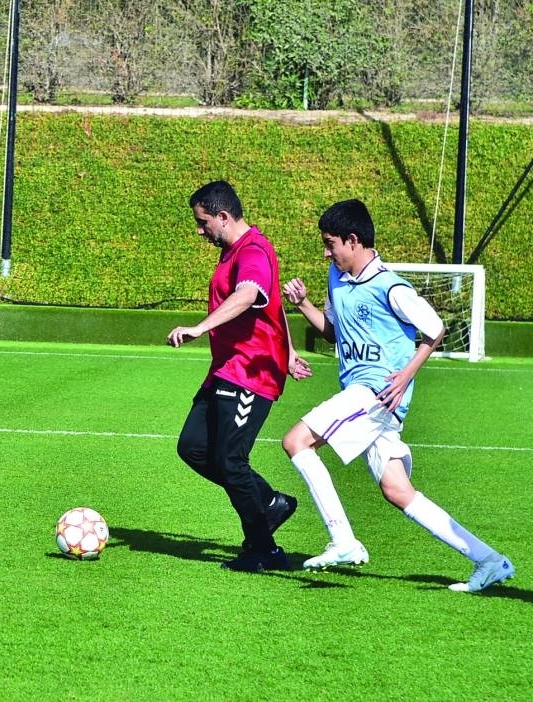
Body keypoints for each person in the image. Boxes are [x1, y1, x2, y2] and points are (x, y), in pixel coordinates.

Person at [281, 198, 514, 593]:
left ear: (353, 241)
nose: (326, 251)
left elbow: (435, 329)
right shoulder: (337, 278)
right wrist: (303, 304)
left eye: (330, 242)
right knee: (397, 490)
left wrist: (405, 376)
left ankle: (343, 540)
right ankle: (490, 561)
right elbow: (336, 334)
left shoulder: (390, 285)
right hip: (365, 395)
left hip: (375, 392)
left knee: (296, 441)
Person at [167, 180, 311, 573]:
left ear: (224, 217)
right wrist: (291, 350)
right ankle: (268, 502)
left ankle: (264, 549)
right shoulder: (233, 252)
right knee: (193, 448)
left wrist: (199, 328)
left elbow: (250, 294)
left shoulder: (253, 251)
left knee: (231, 460)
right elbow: (273, 305)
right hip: (225, 370)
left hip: (250, 373)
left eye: (203, 222)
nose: (200, 230)